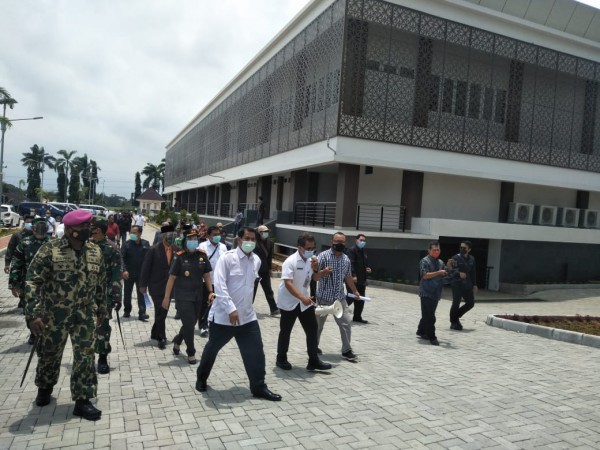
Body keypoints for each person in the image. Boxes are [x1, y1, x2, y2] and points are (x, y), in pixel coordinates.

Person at [25, 209, 106, 421]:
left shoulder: (95, 252)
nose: (88, 230)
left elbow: (101, 284)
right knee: (50, 353)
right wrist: (33, 314)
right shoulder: (50, 250)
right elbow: (32, 280)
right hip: (55, 315)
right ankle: (44, 388)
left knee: (85, 357)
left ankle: (83, 400)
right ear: (70, 229)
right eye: (83, 227)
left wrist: (101, 310)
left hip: (85, 315)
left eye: (89, 226)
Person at [195, 226, 281, 401]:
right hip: (224, 317)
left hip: (247, 317)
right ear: (239, 240)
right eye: (246, 238)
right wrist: (231, 309)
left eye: (253, 239)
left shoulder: (256, 260)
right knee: (212, 348)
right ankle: (201, 378)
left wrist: (241, 310)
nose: (250, 242)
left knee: (256, 352)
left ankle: (258, 386)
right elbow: (220, 285)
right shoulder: (227, 258)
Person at [276, 233, 331, 371]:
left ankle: (313, 361)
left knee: (312, 330)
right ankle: (281, 359)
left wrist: (321, 272)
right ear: (299, 247)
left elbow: (315, 278)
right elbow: (288, 283)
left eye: (313, 248)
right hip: (289, 302)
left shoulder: (311, 260)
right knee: (286, 331)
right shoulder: (290, 261)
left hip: (304, 301)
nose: (311, 251)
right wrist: (302, 297)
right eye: (308, 248)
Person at [162, 230, 214, 364]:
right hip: (183, 296)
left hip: (198, 296)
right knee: (190, 324)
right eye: (190, 239)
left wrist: (210, 291)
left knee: (189, 323)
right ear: (185, 241)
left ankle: (178, 341)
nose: (194, 241)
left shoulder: (202, 255)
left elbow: (207, 275)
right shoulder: (178, 256)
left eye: (196, 238)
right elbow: (172, 278)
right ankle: (191, 352)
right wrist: (167, 297)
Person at [315, 232, 361, 361]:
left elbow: (348, 277)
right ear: (332, 242)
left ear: (345, 243)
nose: (339, 244)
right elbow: (314, 277)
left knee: (346, 324)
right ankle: (313, 346)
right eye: (337, 241)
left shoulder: (346, 259)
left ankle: (346, 350)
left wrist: (355, 291)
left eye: (342, 242)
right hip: (323, 298)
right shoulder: (323, 256)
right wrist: (323, 272)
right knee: (318, 326)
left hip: (340, 298)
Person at [90, 217, 123, 374]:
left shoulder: (112, 248)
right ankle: (87, 358)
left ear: (102, 231)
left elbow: (117, 274)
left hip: (105, 296)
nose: (92, 231)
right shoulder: (85, 246)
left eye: (94, 228)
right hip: (86, 296)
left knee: (103, 327)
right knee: (87, 328)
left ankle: (102, 357)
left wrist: (117, 297)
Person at [9, 218, 49, 344]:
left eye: (44, 227)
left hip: (48, 284)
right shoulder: (25, 244)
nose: (41, 230)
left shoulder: (53, 243)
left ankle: (46, 332)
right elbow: (16, 264)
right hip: (29, 284)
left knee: (47, 309)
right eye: (39, 227)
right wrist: (14, 284)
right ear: (33, 228)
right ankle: (33, 333)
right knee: (30, 309)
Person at [140, 224, 178, 349]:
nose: (172, 237)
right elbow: (145, 268)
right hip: (156, 286)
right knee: (160, 311)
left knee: (164, 312)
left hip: (170, 287)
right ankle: (162, 337)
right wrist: (143, 285)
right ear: (163, 236)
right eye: (169, 235)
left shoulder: (176, 249)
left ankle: (154, 332)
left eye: (174, 235)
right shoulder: (153, 249)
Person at [417, 241, 450, 346]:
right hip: (426, 292)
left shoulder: (440, 262)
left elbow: (445, 274)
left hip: (436, 292)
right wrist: (438, 273)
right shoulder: (424, 261)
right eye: (434, 250)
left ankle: (421, 331)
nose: (436, 252)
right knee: (430, 316)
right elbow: (425, 275)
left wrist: (449, 267)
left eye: (438, 250)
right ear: (429, 250)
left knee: (428, 314)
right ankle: (432, 337)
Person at [197, 226, 228, 337]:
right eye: (214, 234)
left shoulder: (223, 247)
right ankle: (203, 326)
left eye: (218, 234)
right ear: (208, 236)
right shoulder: (202, 246)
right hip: (206, 281)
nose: (217, 236)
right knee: (205, 304)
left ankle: (213, 324)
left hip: (219, 281)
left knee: (216, 304)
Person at [121, 225, 150, 320]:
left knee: (141, 293)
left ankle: (142, 313)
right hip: (128, 273)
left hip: (141, 274)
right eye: (131, 232)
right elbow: (121, 259)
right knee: (127, 293)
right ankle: (127, 310)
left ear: (140, 233)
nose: (132, 234)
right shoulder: (126, 244)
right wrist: (124, 270)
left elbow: (149, 260)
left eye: (134, 232)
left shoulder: (146, 244)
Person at [5, 214, 34, 310]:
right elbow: (10, 249)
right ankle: (22, 301)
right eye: (27, 222)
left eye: (31, 222)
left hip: (32, 266)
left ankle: (27, 302)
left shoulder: (35, 236)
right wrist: (7, 264)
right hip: (20, 265)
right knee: (20, 283)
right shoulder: (17, 235)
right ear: (24, 223)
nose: (29, 224)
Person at [449, 240, 477, 330]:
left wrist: (475, 284)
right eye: (460, 247)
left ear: (469, 249)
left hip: (467, 284)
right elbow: (450, 270)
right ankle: (453, 322)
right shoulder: (455, 258)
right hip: (457, 283)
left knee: (470, 303)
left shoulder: (472, 259)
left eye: (464, 248)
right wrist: (458, 273)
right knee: (456, 303)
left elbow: (473, 272)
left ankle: (456, 316)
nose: (462, 249)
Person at [252, 225, 279, 315]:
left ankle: (274, 308)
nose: (266, 233)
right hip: (255, 270)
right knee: (252, 290)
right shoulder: (254, 243)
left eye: (267, 231)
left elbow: (270, 257)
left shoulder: (270, 243)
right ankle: (248, 307)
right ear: (259, 233)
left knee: (268, 290)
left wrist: (270, 269)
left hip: (265, 270)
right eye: (264, 232)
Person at [345, 234, 372, 324]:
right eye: (361, 240)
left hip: (362, 280)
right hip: (353, 279)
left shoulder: (364, 251)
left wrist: (367, 268)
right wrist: (353, 275)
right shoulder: (352, 251)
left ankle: (357, 316)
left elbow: (365, 263)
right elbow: (350, 264)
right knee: (351, 297)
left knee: (361, 299)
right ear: (356, 240)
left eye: (364, 240)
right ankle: (338, 309)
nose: (362, 242)